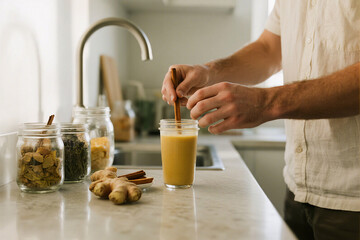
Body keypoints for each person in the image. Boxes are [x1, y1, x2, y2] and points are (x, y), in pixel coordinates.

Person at [161, 1, 360, 240]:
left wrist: (267, 102)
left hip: (353, 199)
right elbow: (268, 50)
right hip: (298, 189)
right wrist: (209, 70)